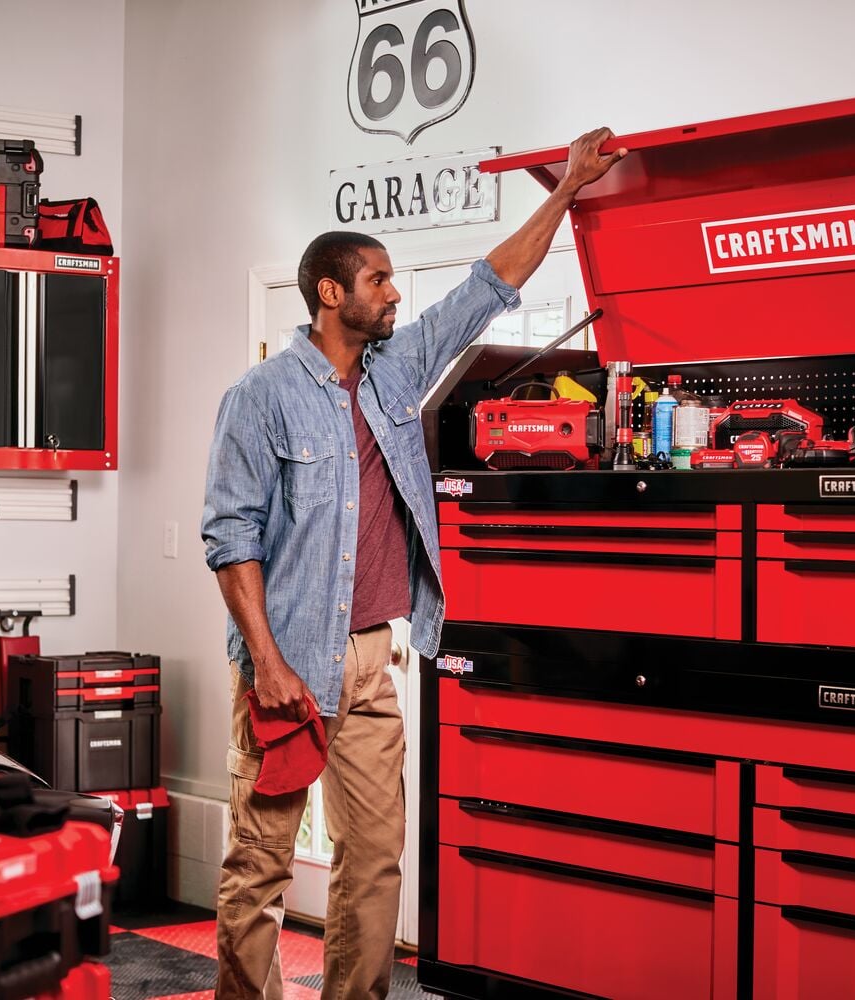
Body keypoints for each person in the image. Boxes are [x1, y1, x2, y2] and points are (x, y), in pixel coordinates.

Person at [201, 127, 626, 999]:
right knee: (261, 867)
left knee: (377, 861)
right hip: (285, 666)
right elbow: (230, 538)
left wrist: (568, 190)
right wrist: (270, 664)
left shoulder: (398, 372)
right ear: (330, 292)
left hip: (371, 661)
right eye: (378, 280)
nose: (395, 294)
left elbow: (489, 285)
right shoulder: (260, 397)